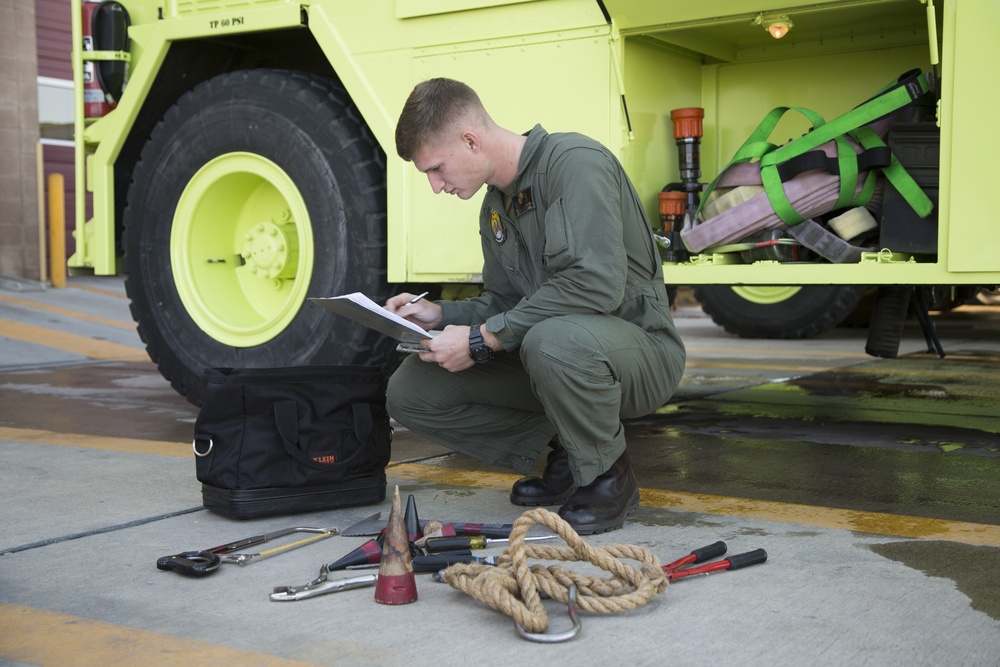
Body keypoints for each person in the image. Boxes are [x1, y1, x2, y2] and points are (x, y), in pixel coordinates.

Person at [384, 78, 686, 534]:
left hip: (638, 352)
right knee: (412, 390)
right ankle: (571, 449)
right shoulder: (494, 208)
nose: (434, 186)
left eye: (437, 168)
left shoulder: (574, 164)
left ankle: (609, 476)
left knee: (551, 340)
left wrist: (483, 339)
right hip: (559, 354)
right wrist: (442, 315)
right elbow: (507, 303)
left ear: (470, 140)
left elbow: (595, 285)